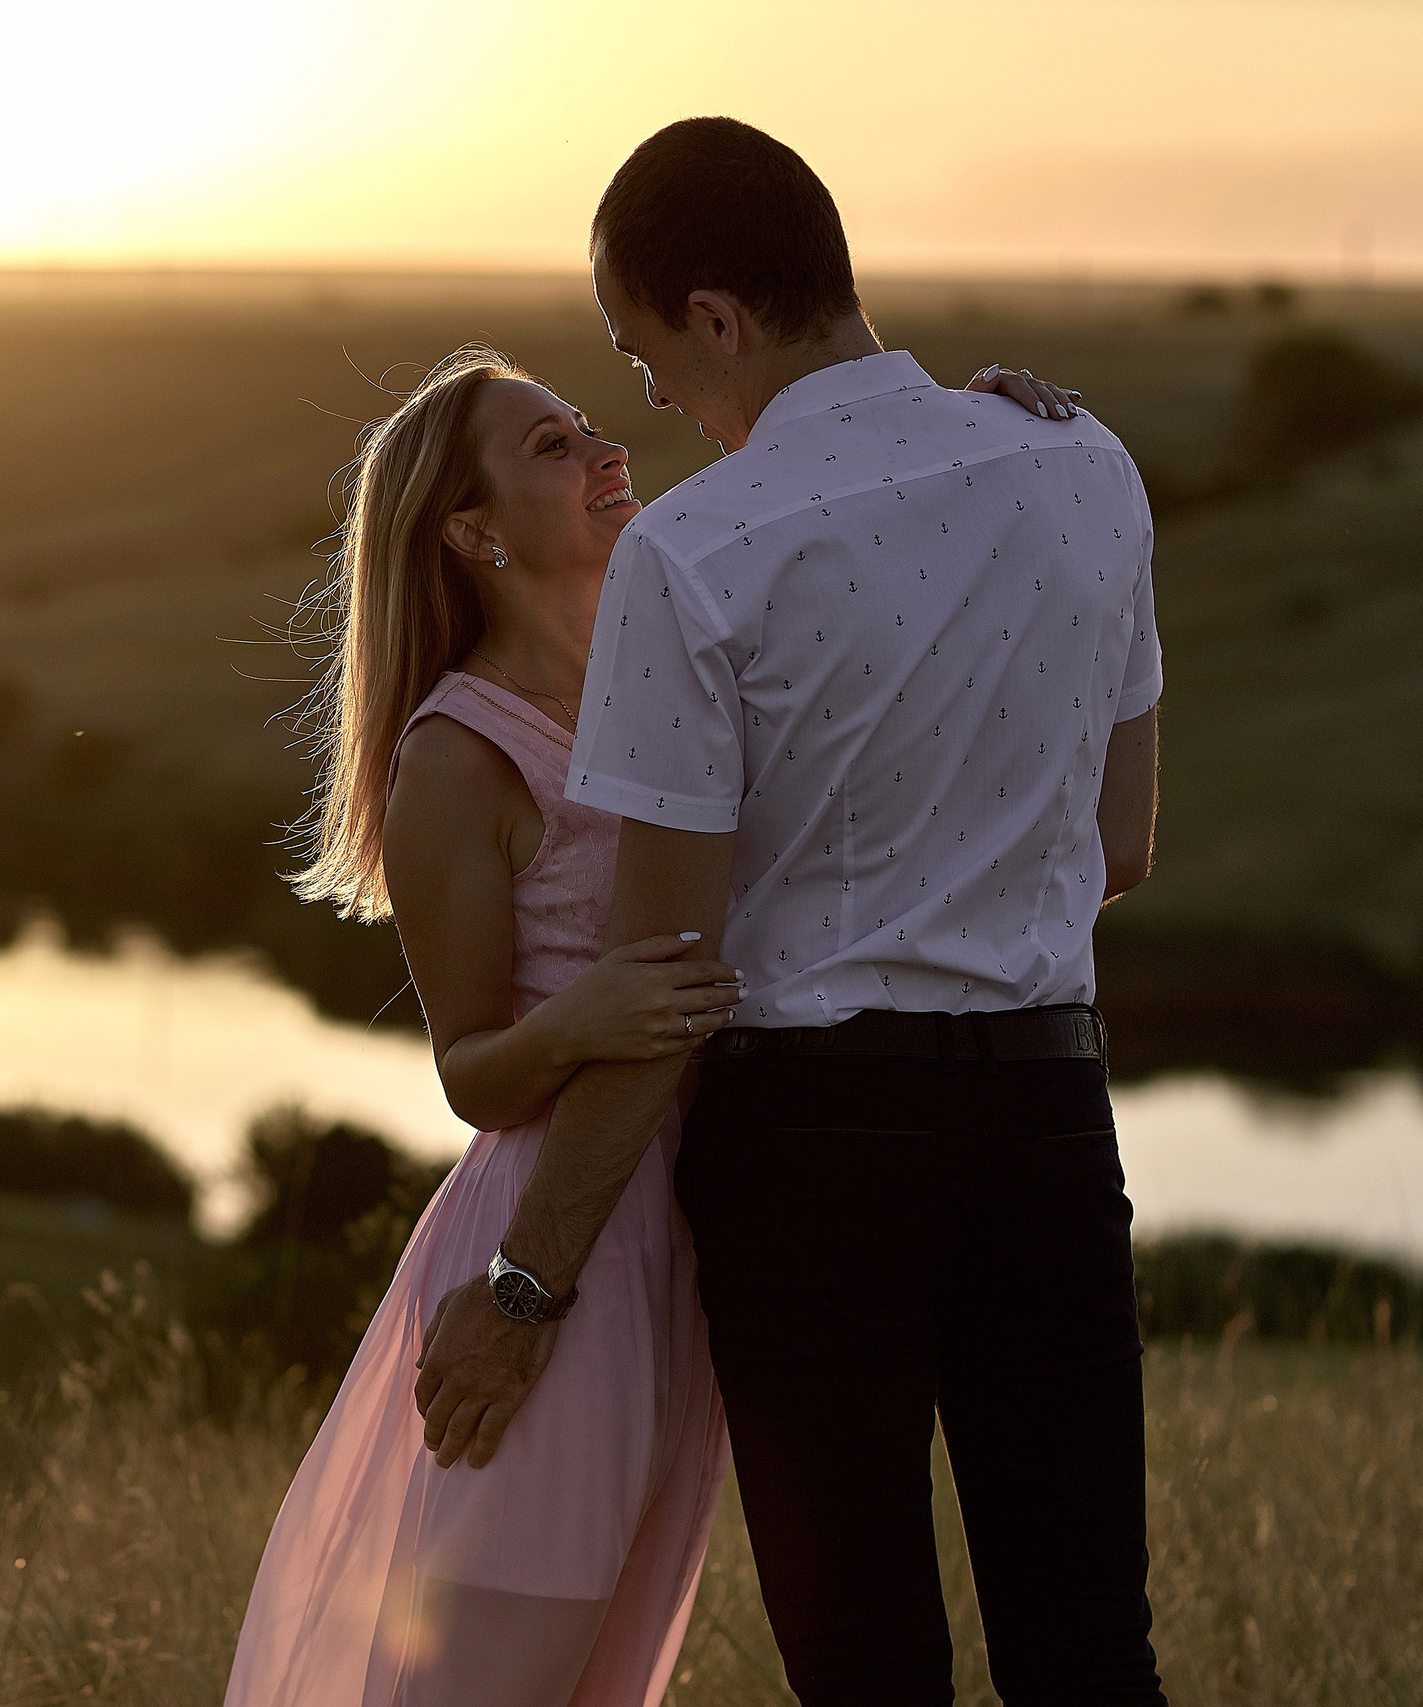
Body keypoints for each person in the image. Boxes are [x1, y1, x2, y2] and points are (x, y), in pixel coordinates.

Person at [410, 119, 1166, 1707]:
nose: (658, 406)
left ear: (720, 319)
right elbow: (1125, 843)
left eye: (645, 359)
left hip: (816, 1163)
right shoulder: (1087, 463)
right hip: (1049, 1115)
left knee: (871, 1671)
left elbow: (666, 978)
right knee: (1092, 1652)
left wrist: (527, 1289)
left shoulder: (701, 549)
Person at [222, 328, 1082, 1699]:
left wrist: (979, 427)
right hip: (570, 1234)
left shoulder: (674, 659)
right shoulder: (458, 752)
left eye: (589, 421)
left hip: (697, 1223)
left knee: (602, 1671)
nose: (608, 447)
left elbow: (839, 510)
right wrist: (587, 1022)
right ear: (468, 532)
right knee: (497, 1676)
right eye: (553, 447)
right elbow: (476, 1077)